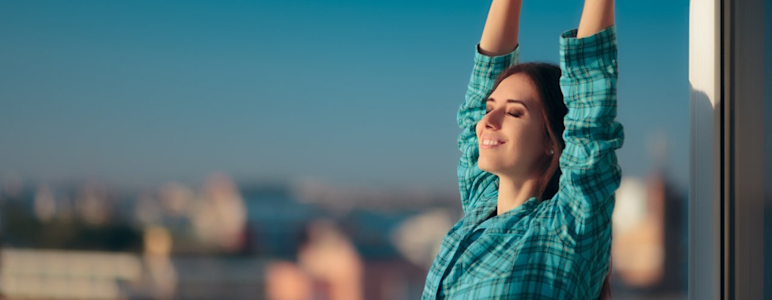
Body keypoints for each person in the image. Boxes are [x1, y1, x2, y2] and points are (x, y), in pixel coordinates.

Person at [421, 0, 622, 299]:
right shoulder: (480, 208)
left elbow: (590, 98)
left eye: (514, 113)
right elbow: (484, 78)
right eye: (490, 108)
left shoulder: (566, 228)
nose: (487, 121)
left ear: (551, 142)